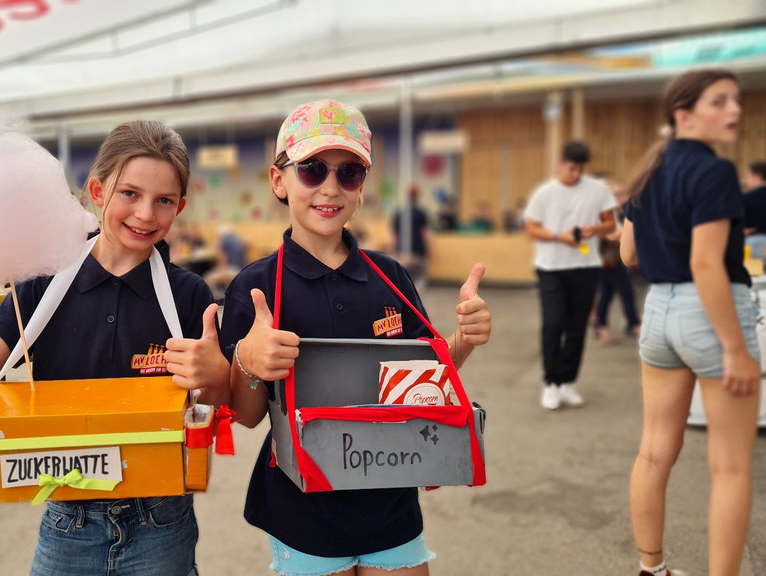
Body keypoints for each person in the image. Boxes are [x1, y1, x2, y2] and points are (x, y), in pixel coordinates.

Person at [0, 120, 230, 576]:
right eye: (130, 193)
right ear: (98, 191)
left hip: (162, 519)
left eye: (163, 201)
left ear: (179, 207)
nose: (146, 214)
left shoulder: (189, 296)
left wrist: (217, 374)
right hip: (68, 517)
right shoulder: (40, 284)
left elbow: (220, 403)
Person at [219, 99, 492, 576]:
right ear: (279, 180)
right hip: (303, 510)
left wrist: (463, 340)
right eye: (312, 169)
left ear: (362, 187)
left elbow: (423, 378)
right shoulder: (256, 287)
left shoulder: (390, 278)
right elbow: (245, 415)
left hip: (391, 496)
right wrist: (247, 358)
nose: (330, 187)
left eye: (349, 173)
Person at [621, 69, 760, 576]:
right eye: (719, 101)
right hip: (710, 312)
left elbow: (628, 251)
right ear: (684, 115)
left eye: (735, 100)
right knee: (729, 467)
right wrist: (735, 349)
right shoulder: (715, 172)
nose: (734, 110)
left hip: (659, 310)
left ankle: (651, 569)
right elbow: (707, 264)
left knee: (655, 453)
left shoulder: (648, 172)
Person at [523, 141, 617, 410]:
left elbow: (610, 223)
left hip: (586, 266)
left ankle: (567, 382)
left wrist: (593, 230)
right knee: (553, 324)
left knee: (577, 327)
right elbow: (531, 229)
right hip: (551, 267)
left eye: (580, 169)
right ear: (559, 163)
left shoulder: (598, 189)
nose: (576, 174)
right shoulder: (544, 193)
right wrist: (558, 237)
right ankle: (551, 382)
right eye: (571, 168)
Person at [593, 173, 642, 345]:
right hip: (608, 261)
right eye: (616, 194)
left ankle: (602, 327)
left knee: (606, 294)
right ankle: (633, 323)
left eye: (622, 193)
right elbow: (609, 235)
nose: (621, 197)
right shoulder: (606, 214)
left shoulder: (622, 212)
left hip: (615, 259)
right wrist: (627, 232)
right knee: (625, 291)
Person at [391, 184, 435, 292]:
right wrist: (432, 251)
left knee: (403, 281)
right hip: (418, 252)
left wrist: (393, 251)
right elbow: (425, 233)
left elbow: (394, 236)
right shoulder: (420, 213)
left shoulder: (399, 213)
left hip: (401, 252)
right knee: (419, 281)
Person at [740, 160, 766, 260]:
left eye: (748, 176)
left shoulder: (745, 198)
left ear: (757, 176)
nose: (746, 180)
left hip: (753, 242)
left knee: (753, 273)